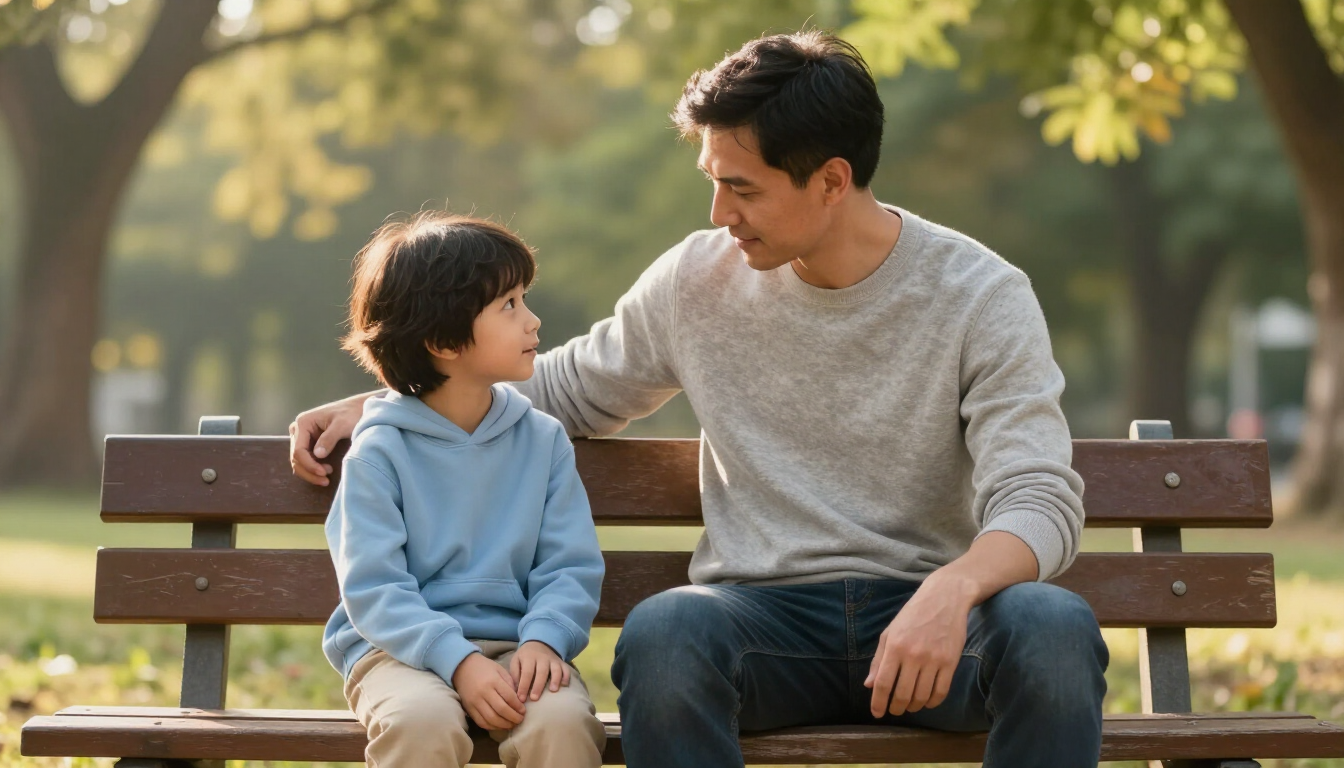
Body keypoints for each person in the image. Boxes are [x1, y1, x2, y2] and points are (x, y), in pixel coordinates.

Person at [295, 31, 1108, 768]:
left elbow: (1037, 495)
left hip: (935, 630)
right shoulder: (699, 278)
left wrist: (956, 588)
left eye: (742, 189)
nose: (719, 216)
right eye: (713, 183)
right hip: (761, 627)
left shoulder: (980, 295)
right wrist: (386, 402)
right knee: (667, 632)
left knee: (1052, 628)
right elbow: (569, 389)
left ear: (831, 180)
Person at [320, 212, 606, 767]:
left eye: (524, 299)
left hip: (521, 648)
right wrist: (458, 661)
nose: (533, 321)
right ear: (443, 340)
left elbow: (569, 564)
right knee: (420, 724)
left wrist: (545, 640)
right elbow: (374, 587)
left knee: (563, 723)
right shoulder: (380, 451)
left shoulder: (542, 441)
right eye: (509, 306)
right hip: (399, 654)